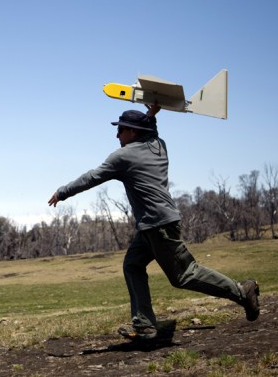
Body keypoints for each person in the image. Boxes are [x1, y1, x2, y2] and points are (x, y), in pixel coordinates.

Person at [48, 106, 260, 340]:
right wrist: (152, 115)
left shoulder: (123, 157)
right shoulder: (160, 147)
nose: (117, 135)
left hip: (158, 226)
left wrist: (62, 192)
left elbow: (92, 177)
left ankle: (242, 292)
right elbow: (151, 132)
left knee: (185, 275)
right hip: (154, 225)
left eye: (120, 130)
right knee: (133, 265)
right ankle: (145, 326)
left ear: (133, 132)